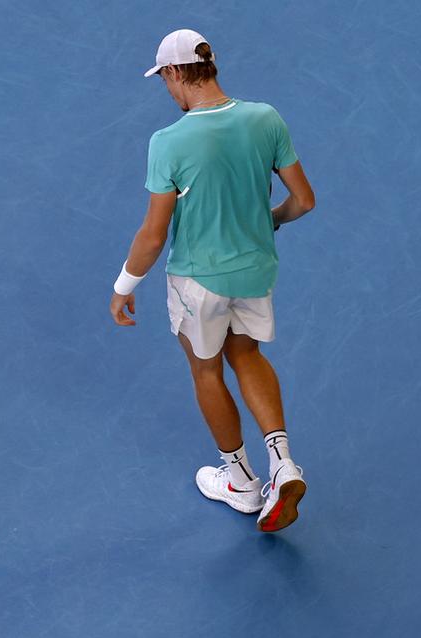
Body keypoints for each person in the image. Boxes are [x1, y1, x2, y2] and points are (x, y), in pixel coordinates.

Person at [108, 28, 316, 533]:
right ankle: (282, 462)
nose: (167, 90)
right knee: (246, 355)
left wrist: (123, 286)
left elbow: (154, 235)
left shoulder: (168, 142)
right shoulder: (265, 118)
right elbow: (303, 201)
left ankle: (242, 482)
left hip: (198, 282)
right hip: (255, 271)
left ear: (176, 73)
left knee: (207, 371)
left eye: (164, 80)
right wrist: (270, 220)